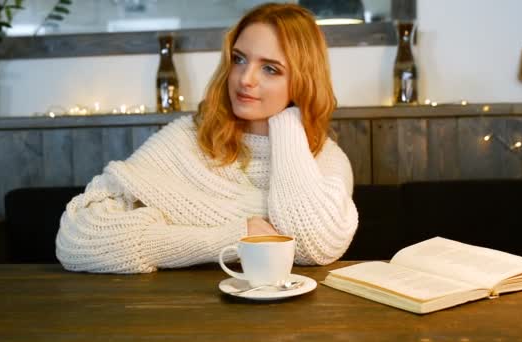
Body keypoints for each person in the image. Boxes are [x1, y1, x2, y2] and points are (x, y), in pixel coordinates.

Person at [55, 2, 358, 274]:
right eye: (239, 59)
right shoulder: (188, 138)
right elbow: (76, 240)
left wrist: (289, 122)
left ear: (302, 81)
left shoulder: (325, 158)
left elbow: (313, 247)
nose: (245, 79)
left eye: (270, 69)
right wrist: (228, 238)